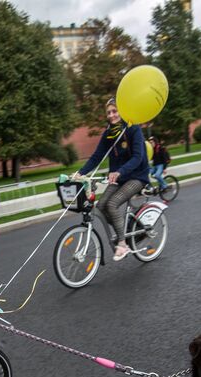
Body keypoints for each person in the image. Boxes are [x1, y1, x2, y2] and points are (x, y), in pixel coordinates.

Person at [73, 98, 149, 261]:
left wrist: (119, 171)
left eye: (115, 111)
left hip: (137, 176)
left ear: (122, 111)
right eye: (109, 112)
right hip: (120, 177)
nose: (112, 115)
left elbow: (138, 157)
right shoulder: (109, 132)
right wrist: (80, 173)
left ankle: (122, 244)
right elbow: (97, 156)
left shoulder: (133, 128)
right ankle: (126, 232)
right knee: (101, 206)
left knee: (113, 204)